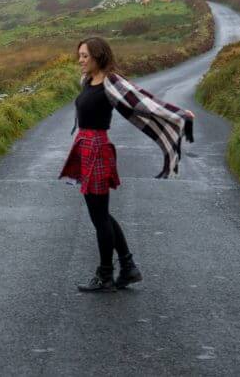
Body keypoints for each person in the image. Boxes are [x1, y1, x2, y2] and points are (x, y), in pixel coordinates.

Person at [59, 36, 196, 293]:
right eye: (79, 55)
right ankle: (128, 267)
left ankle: (106, 274)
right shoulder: (87, 81)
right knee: (100, 215)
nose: (80, 60)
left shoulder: (112, 82)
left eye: (85, 56)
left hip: (97, 149)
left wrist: (178, 114)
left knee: (99, 216)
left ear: (99, 56)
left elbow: (143, 101)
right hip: (86, 147)